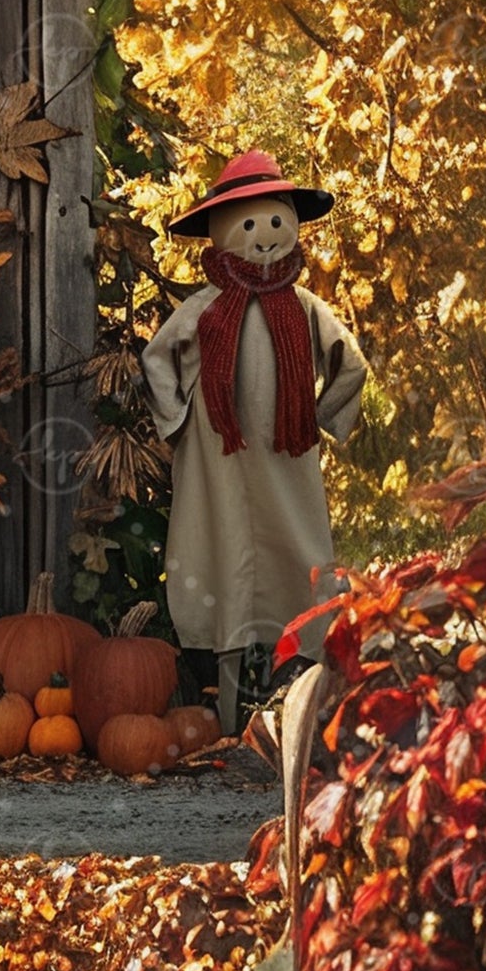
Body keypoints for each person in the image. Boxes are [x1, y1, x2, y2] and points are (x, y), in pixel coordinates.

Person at [141, 149, 368, 723]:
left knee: (298, 553)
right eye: (247, 225)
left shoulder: (306, 307)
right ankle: (227, 704)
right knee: (219, 553)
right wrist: (180, 421)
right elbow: (158, 359)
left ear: (291, 223)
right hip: (218, 453)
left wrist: (320, 415)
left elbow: (350, 362)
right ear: (221, 234)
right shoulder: (204, 309)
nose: (263, 236)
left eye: (272, 221)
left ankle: (304, 692)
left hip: (287, 455)